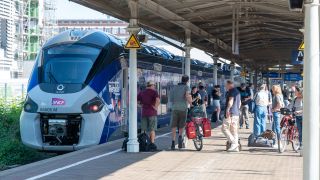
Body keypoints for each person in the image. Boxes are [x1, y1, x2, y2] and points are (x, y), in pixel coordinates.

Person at [169, 75, 192, 150]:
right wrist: (191, 103)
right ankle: (180, 139)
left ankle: (172, 142)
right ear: (187, 81)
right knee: (182, 125)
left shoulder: (174, 87)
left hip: (174, 108)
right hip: (183, 108)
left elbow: (171, 99)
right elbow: (187, 96)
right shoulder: (187, 87)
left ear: (181, 80)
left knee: (174, 125)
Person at [137, 81, 160, 151]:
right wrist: (155, 107)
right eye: (154, 85)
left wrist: (141, 106)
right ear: (152, 85)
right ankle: (151, 144)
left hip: (144, 113)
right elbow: (158, 100)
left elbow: (137, 102)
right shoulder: (154, 92)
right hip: (152, 113)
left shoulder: (142, 92)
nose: (154, 87)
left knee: (143, 130)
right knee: (152, 129)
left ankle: (143, 143)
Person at [221, 80, 241, 152]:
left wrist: (227, 110)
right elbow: (239, 104)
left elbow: (231, 101)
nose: (225, 87)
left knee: (224, 128)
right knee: (234, 130)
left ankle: (234, 143)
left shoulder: (232, 91)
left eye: (226, 85)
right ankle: (235, 148)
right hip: (236, 113)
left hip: (231, 113)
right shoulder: (237, 91)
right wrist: (237, 110)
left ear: (229, 84)